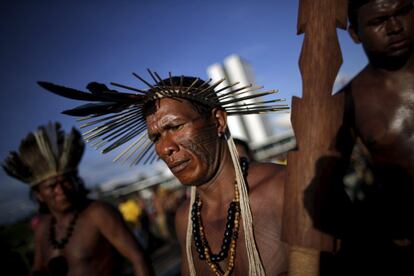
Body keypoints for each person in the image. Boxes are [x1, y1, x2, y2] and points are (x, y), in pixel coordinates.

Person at [38, 73, 290, 275]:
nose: (164, 148)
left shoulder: (281, 189)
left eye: (175, 126)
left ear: (219, 120)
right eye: (156, 137)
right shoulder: (186, 219)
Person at [2, 122, 152, 276]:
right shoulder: (42, 229)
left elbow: (138, 258)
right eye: (52, 186)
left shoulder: (97, 214)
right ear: (39, 194)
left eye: (65, 181)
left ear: (75, 182)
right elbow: (37, 269)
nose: (61, 190)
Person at [333, 0, 414, 274]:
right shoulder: (348, 103)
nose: (394, 27)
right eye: (378, 21)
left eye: (402, 12)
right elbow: (324, 185)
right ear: (355, 34)